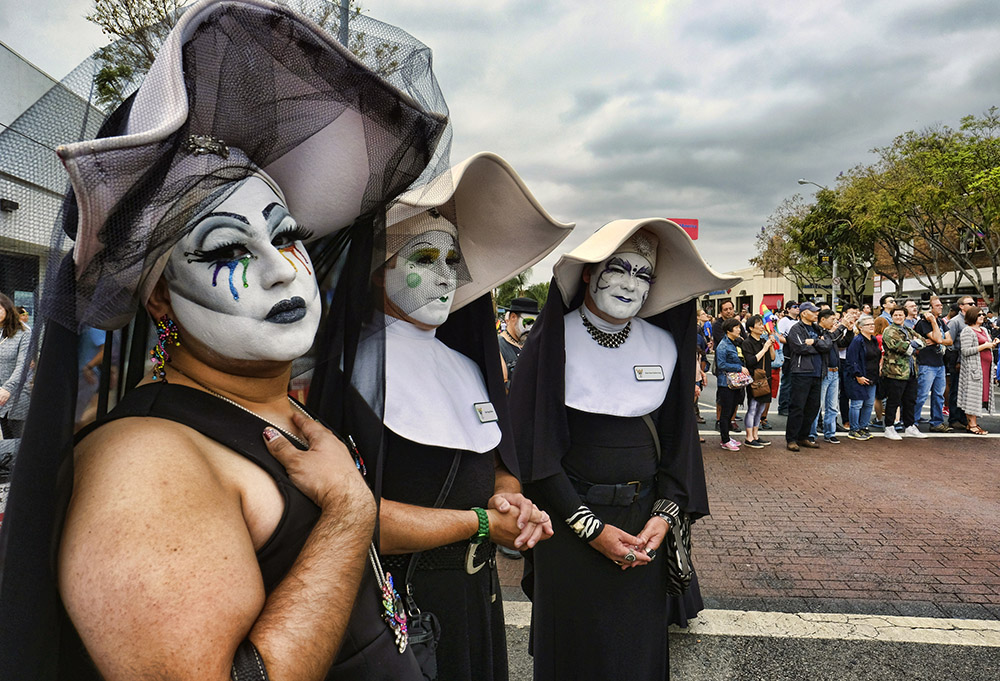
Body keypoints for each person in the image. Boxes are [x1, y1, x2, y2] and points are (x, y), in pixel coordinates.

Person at [0, 1, 451, 677]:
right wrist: (348, 515)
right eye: (227, 250)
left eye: (286, 233)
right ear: (158, 295)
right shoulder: (143, 465)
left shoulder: (280, 404)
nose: (279, 269)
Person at [344, 153, 568, 681]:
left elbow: (495, 460)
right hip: (399, 610)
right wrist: (485, 524)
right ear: (377, 271)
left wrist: (507, 493)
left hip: (476, 599)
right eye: (424, 257)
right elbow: (353, 520)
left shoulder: (469, 366)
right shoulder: (346, 372)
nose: (447, 275)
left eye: (452, 259)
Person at [510, 218, 739, 680]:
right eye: (620, 268)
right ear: (591, 273)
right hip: (569, 529)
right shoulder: (552, 343)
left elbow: (679, 445)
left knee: (636, 652)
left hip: (642, 528)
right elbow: (534, 451)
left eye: (644, 274)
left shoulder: (663, 346)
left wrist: (665, 514)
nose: (632, 283)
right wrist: (590, 527)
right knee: (574, 652)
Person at [784, 301, 831, 451]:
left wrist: (815, 343)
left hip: (817, 373)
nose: (817, 313)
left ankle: (803, 436)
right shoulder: (796, 329)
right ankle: (791, 439)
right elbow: (799, 348)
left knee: (813, 407)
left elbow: (828, 345)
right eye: (814, 311)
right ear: (804, 313)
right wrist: (819, 346)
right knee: (798, 406)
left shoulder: (817, 329)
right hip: (801, 372)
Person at [880, 307, 927, 441]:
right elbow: (899, 347)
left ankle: (910, 426)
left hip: (911, 371)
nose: (898, 317)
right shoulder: (889, 331)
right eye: (896, 315)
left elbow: (923, 341)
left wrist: (913, 344)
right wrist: (913, 344)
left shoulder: (908, 329)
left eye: (901, 315)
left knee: (910, 400)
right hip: (895, 371)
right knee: (894, 400)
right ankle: (889, 426)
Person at [913, 295, 953, 433]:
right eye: (937, 305)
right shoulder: (923, 323)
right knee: (922, 394)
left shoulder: (941, 322)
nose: (941, 306)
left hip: (939, 363)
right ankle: (912, 421)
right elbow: (938, 338)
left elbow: (949, 341)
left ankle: (937, 422)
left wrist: (938, 339)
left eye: (941, 304)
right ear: (929, 308)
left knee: (939, 395)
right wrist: (934, 324)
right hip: (926, 363)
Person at [957, 307, 998, 434]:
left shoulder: (984, 329)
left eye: (982, 314)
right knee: (971, 396)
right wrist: (984, 346)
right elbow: (965, 351)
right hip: (973, 369)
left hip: (985, 368)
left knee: (980, 395)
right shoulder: (967, 331)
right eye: (979, 314)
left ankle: (972, 423)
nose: (982, 316)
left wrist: (993, 343)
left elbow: (986, 345)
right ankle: (972, 424)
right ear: (972, 316)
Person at [0, 293, 31, 440]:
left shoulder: (23, 333)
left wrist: (8, 388)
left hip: (17, 396)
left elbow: (23, 365)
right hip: (0, 400)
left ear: (7, 308)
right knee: (6, 443)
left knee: (19, 441)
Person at [741, 314, 774, 448]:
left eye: (762, 324)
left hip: (765, 377)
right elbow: (751, 361)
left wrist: (770, 345)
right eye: (759, 324)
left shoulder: (763, 340)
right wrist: (765, 347)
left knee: (761, 408)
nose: (762, 327)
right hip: (755, 379)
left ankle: (756, 434)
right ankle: (749, 437)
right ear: (751, 328)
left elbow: (772, 357)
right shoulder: (747, 343)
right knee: (753, 407)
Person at [844, 315, 880, 440]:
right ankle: (854, 429)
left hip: (872, 376)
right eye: (868, 324)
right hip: (859, 376)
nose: (872, 326)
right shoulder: (857, 341)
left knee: (869, 404)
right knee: (857, 404)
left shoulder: (873, 339)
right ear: (860, 327)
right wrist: (857, 375)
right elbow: (851, 360)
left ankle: (863, 426)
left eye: (873, 324)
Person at [810, 309, 841, 444]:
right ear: (823, 319)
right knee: (817, 405)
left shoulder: (829, 334)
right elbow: (825, 346)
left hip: (835, 371)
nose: (834, 322)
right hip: (824, 371)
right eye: (832, 319)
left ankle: (830, 433)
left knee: (832, 406)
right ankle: (812, 434)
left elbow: (844, 341)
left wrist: (849, 329)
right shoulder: (818, 331)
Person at [716, 317, 747, 450]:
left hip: (734, 382)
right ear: (729, 330)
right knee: (726, 412)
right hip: (726, 383)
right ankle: (725, 440)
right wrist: (739, 368)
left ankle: (727, 437)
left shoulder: (735, 342)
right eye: (736, 327)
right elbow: (721, 364)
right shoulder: (723, 345)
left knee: (731, 411)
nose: (739, 330)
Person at [712, 299, 744, 429]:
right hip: (726, 366)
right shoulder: (718, 326)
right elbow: (725, 342)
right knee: (723, 395)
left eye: (731, 308)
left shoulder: (738, 324)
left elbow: (744, 340)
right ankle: (720, 420)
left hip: (738, 364)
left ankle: (732, 420)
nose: (729, 311)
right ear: (721, 311)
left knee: (738, 394)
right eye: (726, 309)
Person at [947, 295, 977, 429]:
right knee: (955, 390)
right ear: (961, 306)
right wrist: (956, 361)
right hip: (957, 360)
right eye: (970, 303)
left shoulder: (971, 320)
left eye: (973, 303)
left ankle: (964, 418)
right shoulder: (955, 322)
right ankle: (954, 418)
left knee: (965, 391)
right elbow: (950, 343)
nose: (973, 305)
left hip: (970, 361)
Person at [499, 296, 539, 391]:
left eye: (535, 324)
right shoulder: (499, 346)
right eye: (528, 322)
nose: (531, 328)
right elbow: (503, 384)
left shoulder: (532, 343)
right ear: (513, 317)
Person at [776, 300, 799, 415]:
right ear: (788, 309)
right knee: (787, 381)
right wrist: (792, 342)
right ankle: (783, 406)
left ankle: (791, 405)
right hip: (788, 354)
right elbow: (778, 336)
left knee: (795, 382)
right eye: (794, 307)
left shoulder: (799, 321)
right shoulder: (784, 321)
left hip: (797, 354)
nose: (797, 309)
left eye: (798, 307)